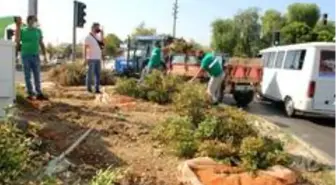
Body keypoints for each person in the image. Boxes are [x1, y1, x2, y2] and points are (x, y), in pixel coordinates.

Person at [15, 15, 48, 100]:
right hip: (25, 55)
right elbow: (17, 41)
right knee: (27, 75)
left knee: (37, 75)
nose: (36, 22)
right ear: (29, 21)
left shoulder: (38, 31)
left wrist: (45, 56)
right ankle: (30, 93)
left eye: (36, 21)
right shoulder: (23, 30)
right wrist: (18, 26)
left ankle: (38, 93)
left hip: (35, 55)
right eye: (34, 20)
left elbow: (41, 43)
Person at [83, 22, 104, 93]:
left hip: (98, 58)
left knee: (98, 74)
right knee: (90, 74)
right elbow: (85, 48)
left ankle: (97, 88)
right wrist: (85, 58)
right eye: (97, 27)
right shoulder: (88, 37)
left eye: (99, 27)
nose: (98, 29)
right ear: (93, 28)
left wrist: (102, 34)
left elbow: (102, 45)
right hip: (91, 58)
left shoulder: (98, 37)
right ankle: (89, 89)